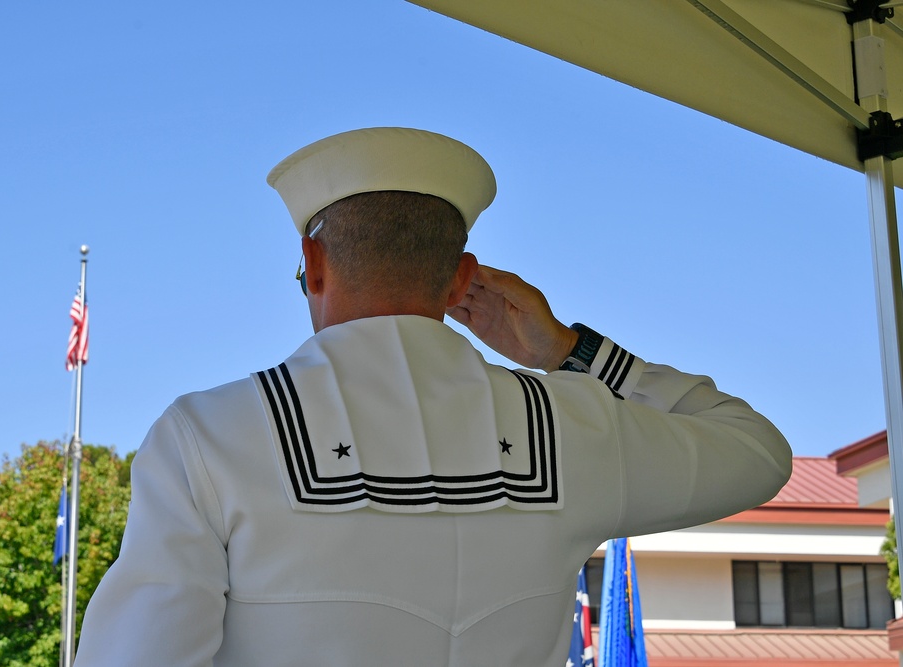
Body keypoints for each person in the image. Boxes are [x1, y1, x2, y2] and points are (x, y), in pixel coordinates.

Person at [73, 127, 791, 667]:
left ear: (313, 265)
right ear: (461, 280)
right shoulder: (572, 429)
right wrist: (567, 351)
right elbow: (757, 451)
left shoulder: (210, 437)